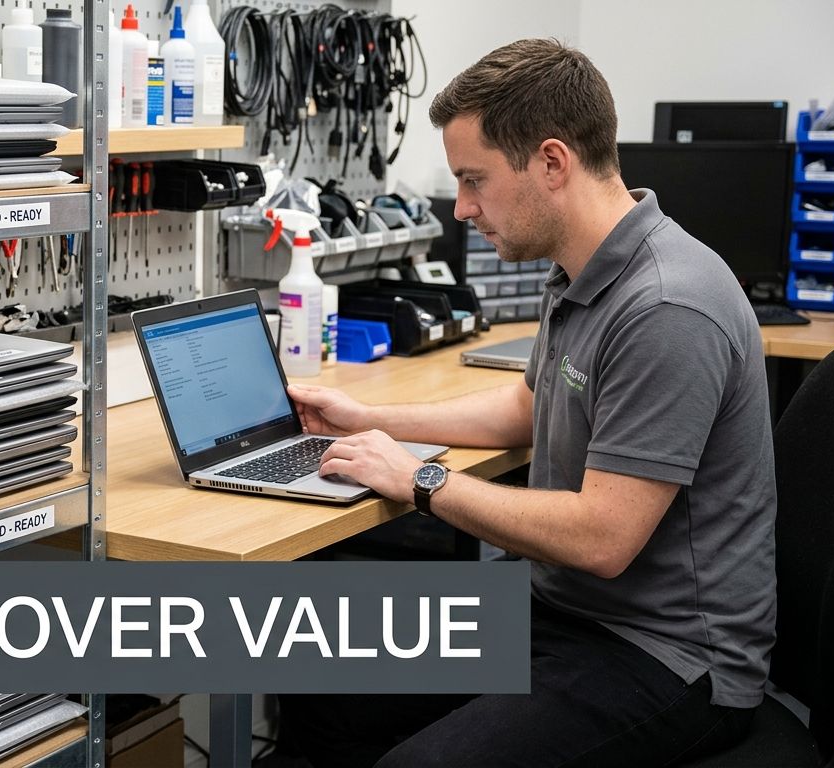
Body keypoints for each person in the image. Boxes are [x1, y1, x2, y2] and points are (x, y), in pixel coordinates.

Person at [274, 38, 776, 767]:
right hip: (560, 610)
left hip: (667, 655)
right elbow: (523, 410)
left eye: (474, 180)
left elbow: (603, 538)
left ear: (552, 162)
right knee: (315, 672)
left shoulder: (668, 306)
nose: (463, 207)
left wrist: (421, 479)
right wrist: (369, 419)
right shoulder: (580, 269)